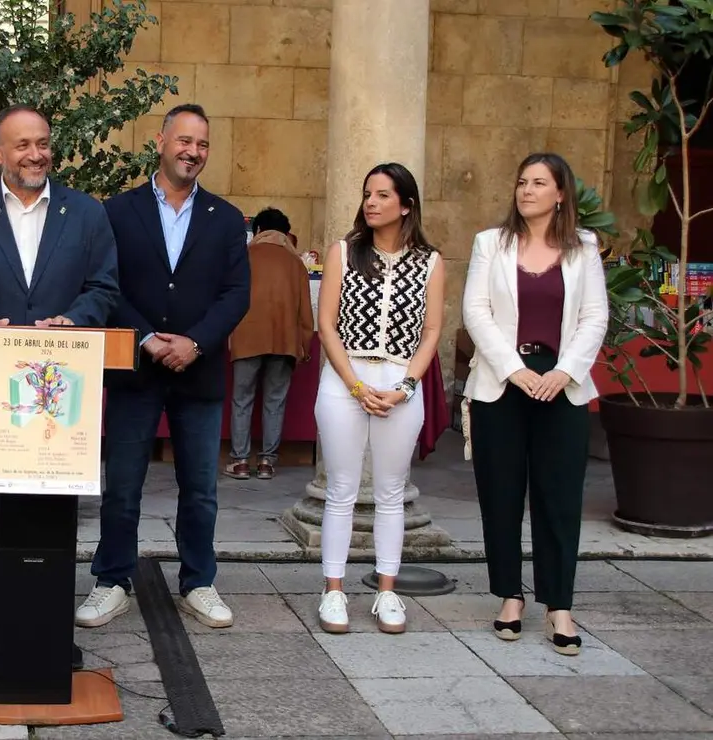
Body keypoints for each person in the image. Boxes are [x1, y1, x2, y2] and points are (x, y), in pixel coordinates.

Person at [0, 104, 119, 669]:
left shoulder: (86, 213)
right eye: (24, 145)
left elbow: (105, 286)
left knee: (53, 509)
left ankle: (48, 620)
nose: (37, 154)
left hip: (61, 393)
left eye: (43, 143)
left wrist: (75, 320)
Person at [76, 104, 251, 630]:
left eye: (202, 144)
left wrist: (195, 342)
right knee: (122, 485)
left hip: (199, 372)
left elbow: (237, 294)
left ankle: (198, 581)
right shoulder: (117, 212)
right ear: (160, 141)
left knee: (200, 489)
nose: (192, 152)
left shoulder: (226, 219)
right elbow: (105, 286)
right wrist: (148, 339)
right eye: (184, 141)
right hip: (135, 370)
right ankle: (112, 580)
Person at [462, 152, 608, 656]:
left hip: (563, 383)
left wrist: (565, 371)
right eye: (522, 182)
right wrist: (514, 369)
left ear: (560, 194)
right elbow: (475, 311)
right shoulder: (490, 243)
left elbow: (595, 316)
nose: (527, 190)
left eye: (539, 183)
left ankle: (559, 605)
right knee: (500, 494)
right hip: (502, 382)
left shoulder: (584, 247)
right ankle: (509, 596)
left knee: (560, 498)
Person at [314, 163, 445, 635]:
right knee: (341, 490)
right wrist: (354, 385)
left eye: (383, 195)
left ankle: (387, 591)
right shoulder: (344, 251)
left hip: (400, 382)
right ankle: (333, 590)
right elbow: (326, 325)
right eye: (368, 193)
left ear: (406, 205)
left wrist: (406, 386)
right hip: (344, 378)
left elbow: (432, 331)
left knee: (391, 492)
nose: (371, 202)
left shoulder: (430, 261)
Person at [224, 207, 313, 481]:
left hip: (246, 338)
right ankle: (266, 463)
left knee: (242, 400)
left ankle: (240, 461)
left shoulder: (243, 256)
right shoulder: (296, 263)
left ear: (259, 230)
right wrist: (304, 346)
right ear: (286, 233)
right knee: (275, 401)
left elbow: (228, 299)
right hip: (285, 341)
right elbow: (305, 313)